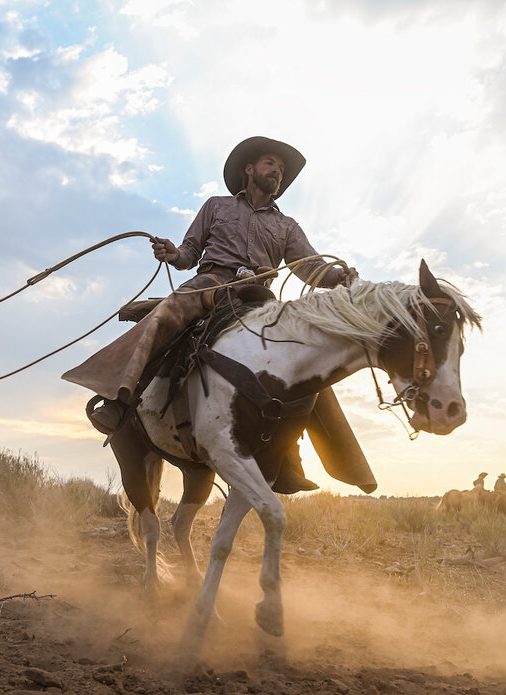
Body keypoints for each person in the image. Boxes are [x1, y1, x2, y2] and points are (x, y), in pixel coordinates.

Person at [62, 136, 375, 495]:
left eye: (281, 169)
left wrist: (339, 276)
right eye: (271, 163)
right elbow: (189, 253)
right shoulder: (217, 206)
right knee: (168, 313)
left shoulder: (287, 226)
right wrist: (172, 252)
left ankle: (297, 458)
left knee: (307, 356)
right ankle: (119, 401)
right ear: (250, 169)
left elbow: (311, 267)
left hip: (260, 299)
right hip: (212, 283)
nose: (277, 171)